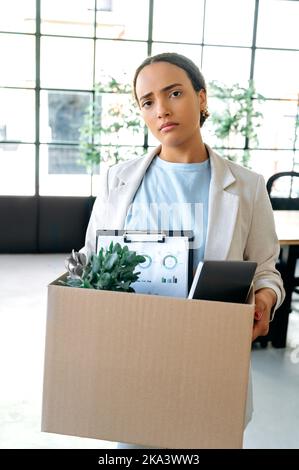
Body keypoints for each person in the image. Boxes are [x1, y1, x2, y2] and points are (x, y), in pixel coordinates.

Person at [82, 52, 285, 447]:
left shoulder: (247, 186)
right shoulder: (118, 181)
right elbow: (90, 264)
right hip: (135, 359)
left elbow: (265, 269)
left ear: (202, 98)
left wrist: (264, 297)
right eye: (148, 101)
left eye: (174, 93)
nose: (161, 110)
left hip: (211, 365)